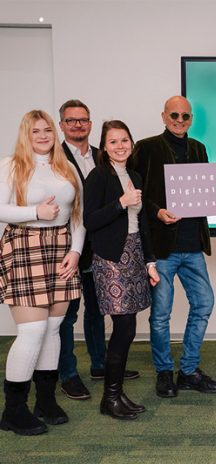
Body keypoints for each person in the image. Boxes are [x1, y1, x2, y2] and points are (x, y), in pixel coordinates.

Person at [133, 96, 216, 398]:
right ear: (163, 116)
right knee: (161, 314)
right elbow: (134, 193)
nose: (180, 120)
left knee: (204, 304)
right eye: (174, 115)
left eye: (185, 116)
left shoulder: (199, 148)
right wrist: (157, 210)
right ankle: (164, 372)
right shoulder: (147, 148)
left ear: (191, 119)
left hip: (193, 245)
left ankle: (187, 370)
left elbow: (201, 194)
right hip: (162, 248)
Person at [0, 110, 84, 435]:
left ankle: (45, 401)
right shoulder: (11, 165)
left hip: (61, 251)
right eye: (36, 130)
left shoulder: (65, 167)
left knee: (52, 329)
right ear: (26, 134)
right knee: (32, 332)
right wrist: (35, 211)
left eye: (48, 129)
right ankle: (14, 410)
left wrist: (75, 252)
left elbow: (77, 215)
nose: (43, 135)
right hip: (25, 247)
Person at [57, 100, 138, 401]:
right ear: (62, 124)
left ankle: (101, 365)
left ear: (90, 125)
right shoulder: (55, 157)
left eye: (83, 120)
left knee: (96, 310)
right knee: (68, 313)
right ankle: (68, 374)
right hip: (66, 244)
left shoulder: (102, 158)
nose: (78, 125)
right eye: (71, 120)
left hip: (99, 246)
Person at [84, 120, 160, 420]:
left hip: (135, 254)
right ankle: (110, 397)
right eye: (113, 142)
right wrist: (121, 202)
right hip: (110, 258)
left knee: (129, 327)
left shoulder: (135, 174)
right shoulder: (98, 176)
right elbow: (90, 220)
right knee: (124, 326)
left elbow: (142, 224)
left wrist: (150, 261)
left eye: (125, 140)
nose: (120, 146)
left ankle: (115, 394)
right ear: (104, 146)